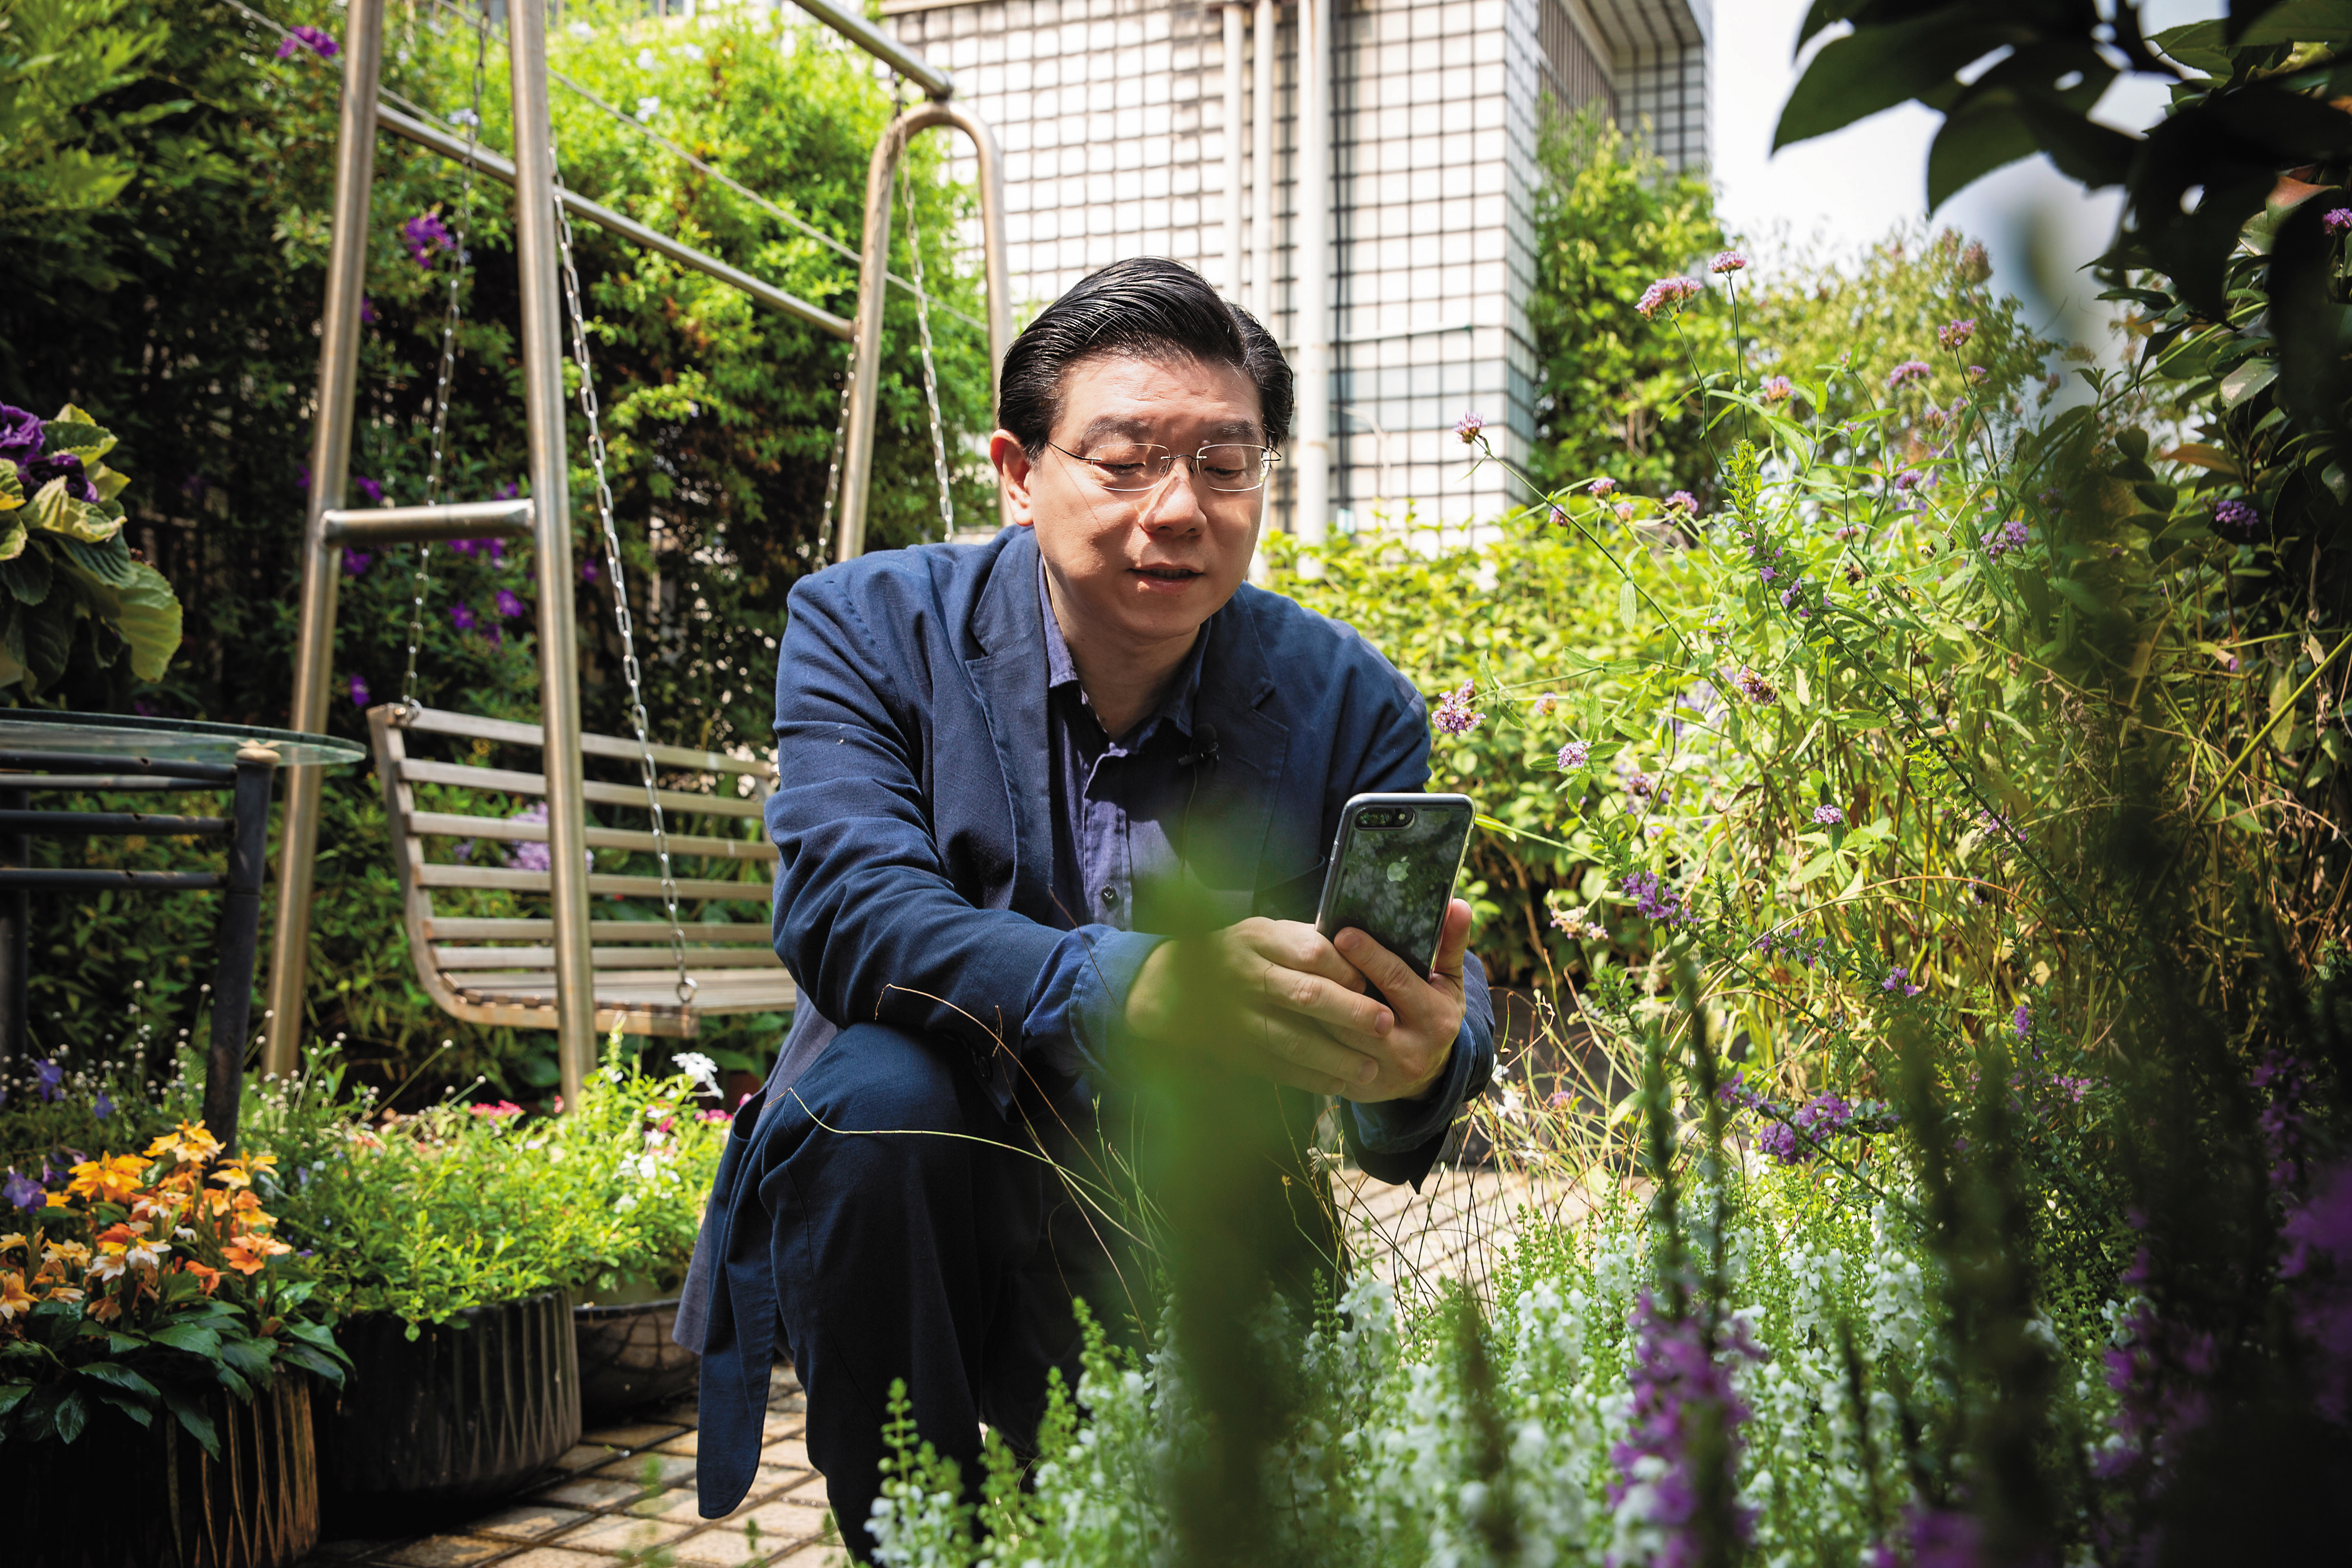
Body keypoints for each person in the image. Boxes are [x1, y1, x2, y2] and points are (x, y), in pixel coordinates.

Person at [678, 256, 1494, 1560]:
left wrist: (1418, 1060)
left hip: (1186, 1201)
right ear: (1018, 471)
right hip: (916, 1182)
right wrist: (1140, 984)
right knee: (874, 1089)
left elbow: (1400, 1007)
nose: (1180, 510)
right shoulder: (868, 627)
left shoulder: (1350, 705)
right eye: (1125, 460)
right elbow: (848, 905)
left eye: (1226, 467)